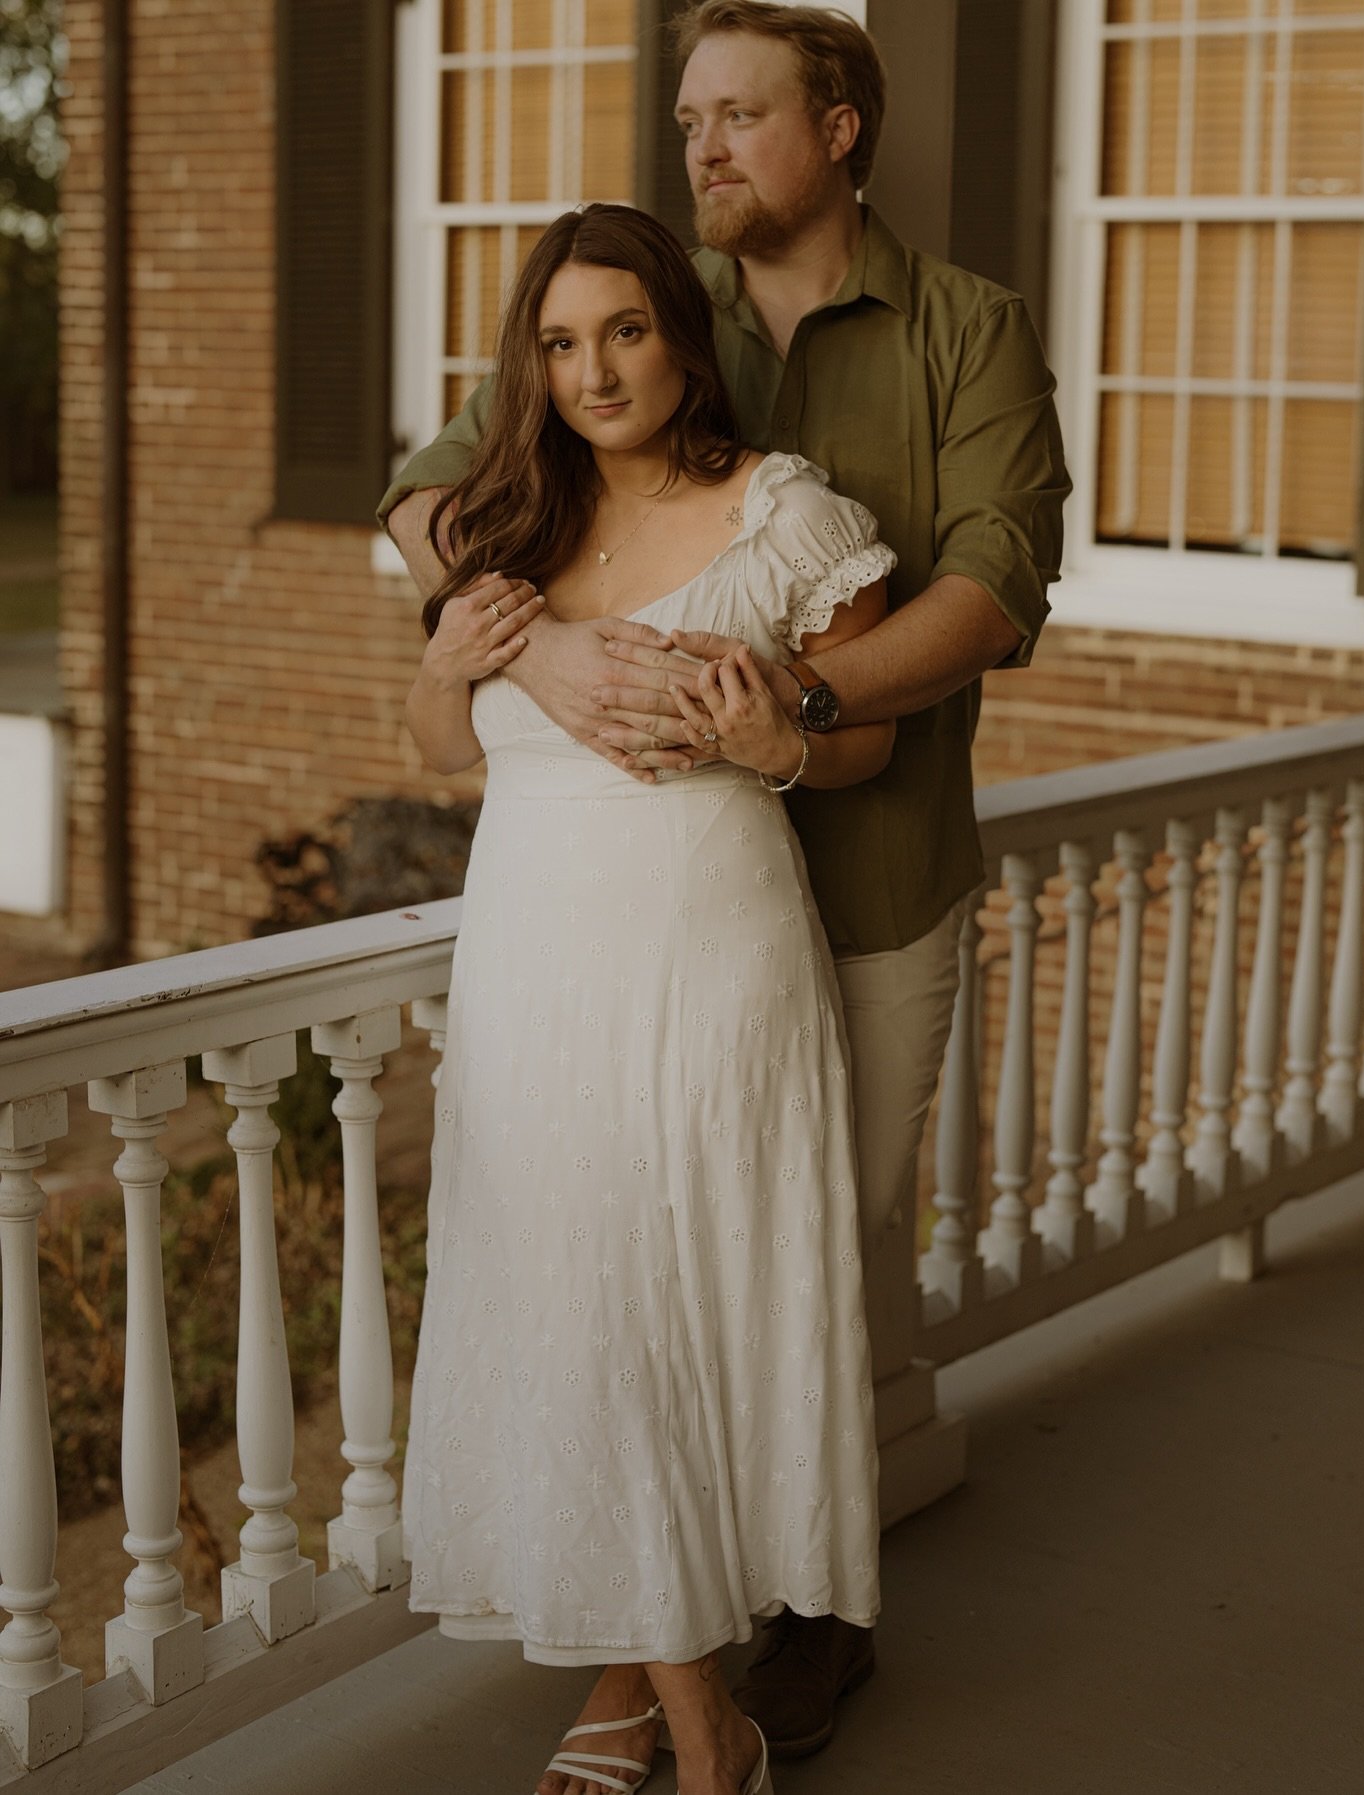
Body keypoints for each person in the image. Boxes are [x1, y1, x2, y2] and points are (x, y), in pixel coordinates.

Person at [382, 0, 1070, 1765]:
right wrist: (526, 649)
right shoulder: (641, 299)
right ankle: (652, 1666)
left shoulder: (965, 328)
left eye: (739, 115)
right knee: (618, 1284)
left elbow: (994, 585)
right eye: (689, 118)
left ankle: (796, 1627)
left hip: (861, 877)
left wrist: (798, 708)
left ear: (839, 128)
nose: (701, 146)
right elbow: (436, 493)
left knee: (794, 1273)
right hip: (598, 922)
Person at [403, 201, 901, 1795]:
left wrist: (782, 744)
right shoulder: (504, 525)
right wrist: (447, 666)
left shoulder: (785, 514)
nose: (596, 372)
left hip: (709, 962)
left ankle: (695, 1738)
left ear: (684, 337)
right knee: (582, 1326)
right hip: (531, 970)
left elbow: (868, 736)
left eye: (624, 331)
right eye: (560, 344)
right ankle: (685, 1717)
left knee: (662, 1325)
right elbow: (443, 749)